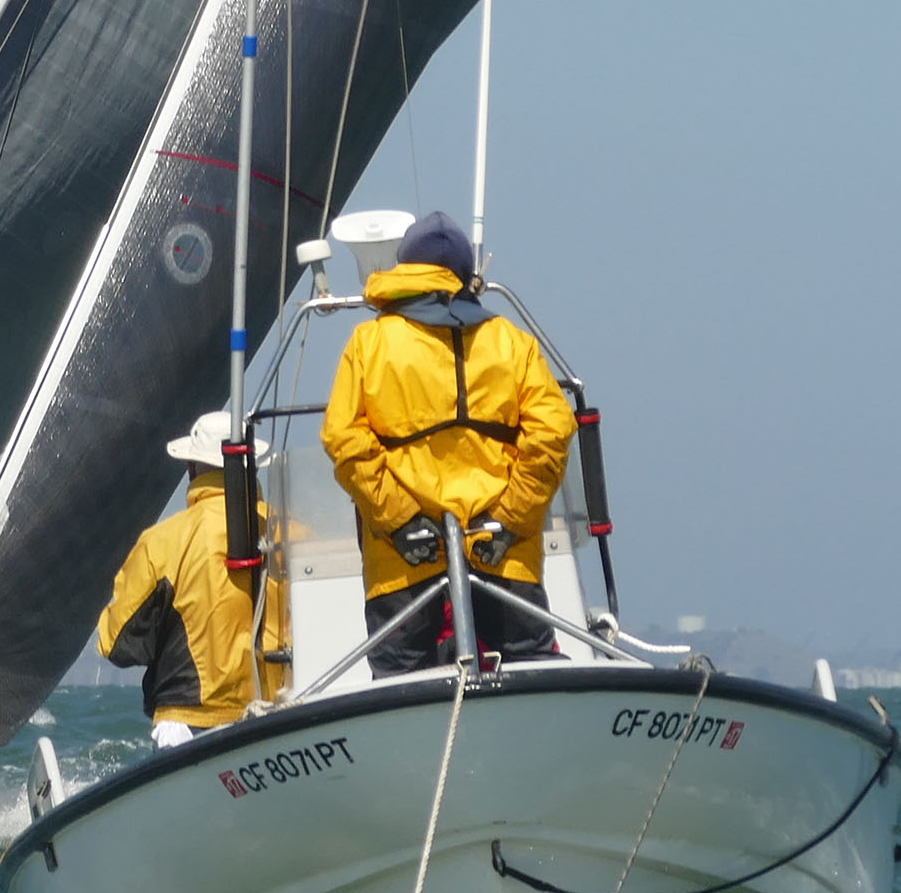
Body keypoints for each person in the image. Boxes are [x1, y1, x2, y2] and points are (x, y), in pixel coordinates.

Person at [323, 211, 574, 677]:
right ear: (464, 274)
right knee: (531, 672)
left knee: (402, 685)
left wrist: (401, 521)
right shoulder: (514, 344)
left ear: (404, 267)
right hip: (502, 554)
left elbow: (344, 439)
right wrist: (510, 519)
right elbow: (553, 432)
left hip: (402, 562)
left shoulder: (368, 344)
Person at [98, 411, 288, 743]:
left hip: (188, 724)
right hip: (283, 716)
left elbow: (118, 644)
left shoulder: (161, 543)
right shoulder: (294, 533)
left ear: (190, 468)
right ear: (253, 465)